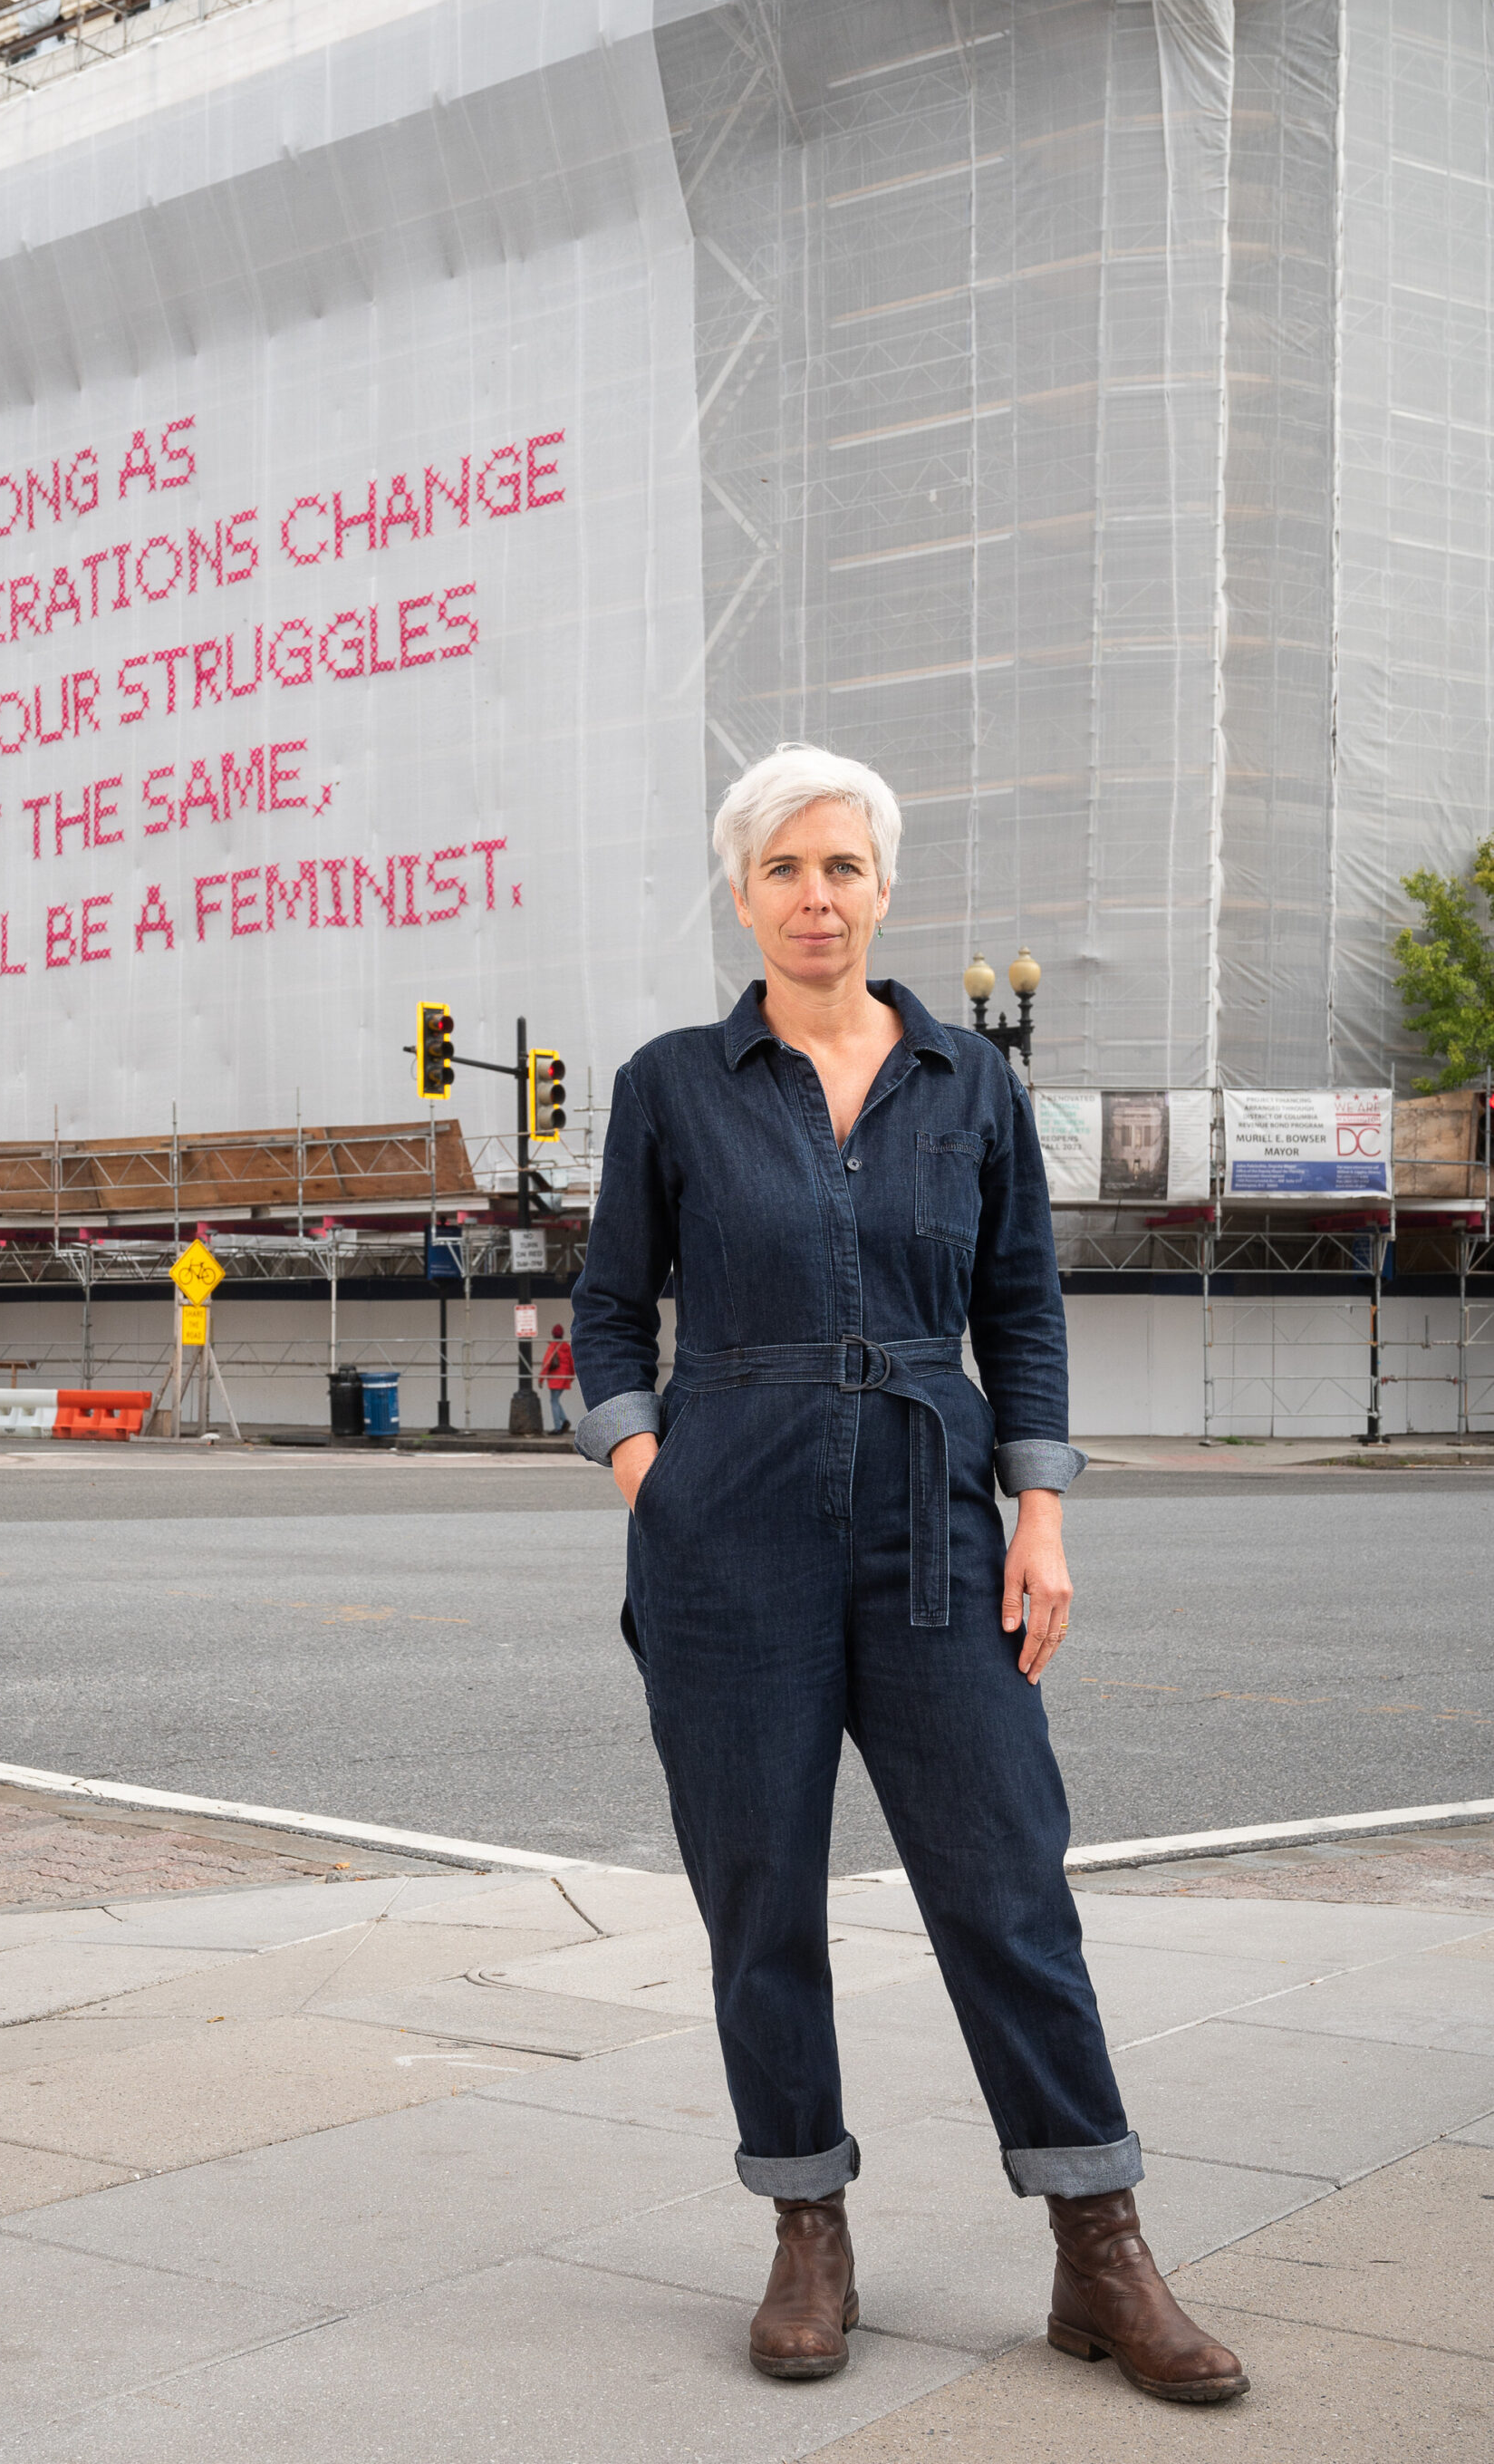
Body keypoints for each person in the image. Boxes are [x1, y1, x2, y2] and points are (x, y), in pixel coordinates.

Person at [569, 745, 1246, 2405]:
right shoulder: (670, 1083)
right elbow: (604, 1316)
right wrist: (653, 1476)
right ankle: (807, 2230)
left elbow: (1018, 1313)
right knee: (758, 1898)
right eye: (787, 870)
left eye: (844, 870)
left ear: (882, 888)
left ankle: (1100, 2247)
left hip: (942, 1532)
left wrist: (1041, 1515)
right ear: (742, 892)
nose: (817, 897)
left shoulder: (967, 1082)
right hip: (728, 1538)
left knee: (1007, 1882)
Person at [540, 1321, 575, 1432]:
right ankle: (564, 1421)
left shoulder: (553, 1346)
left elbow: (546, 1363)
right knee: (555, 1400)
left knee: (554, 1401)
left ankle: (558, 1427)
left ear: (553, 1334)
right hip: (564, 1376)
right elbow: (572, 1363)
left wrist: (541, 1379)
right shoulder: (566, 1347)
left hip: (555, 1377)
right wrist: (571, 1377)